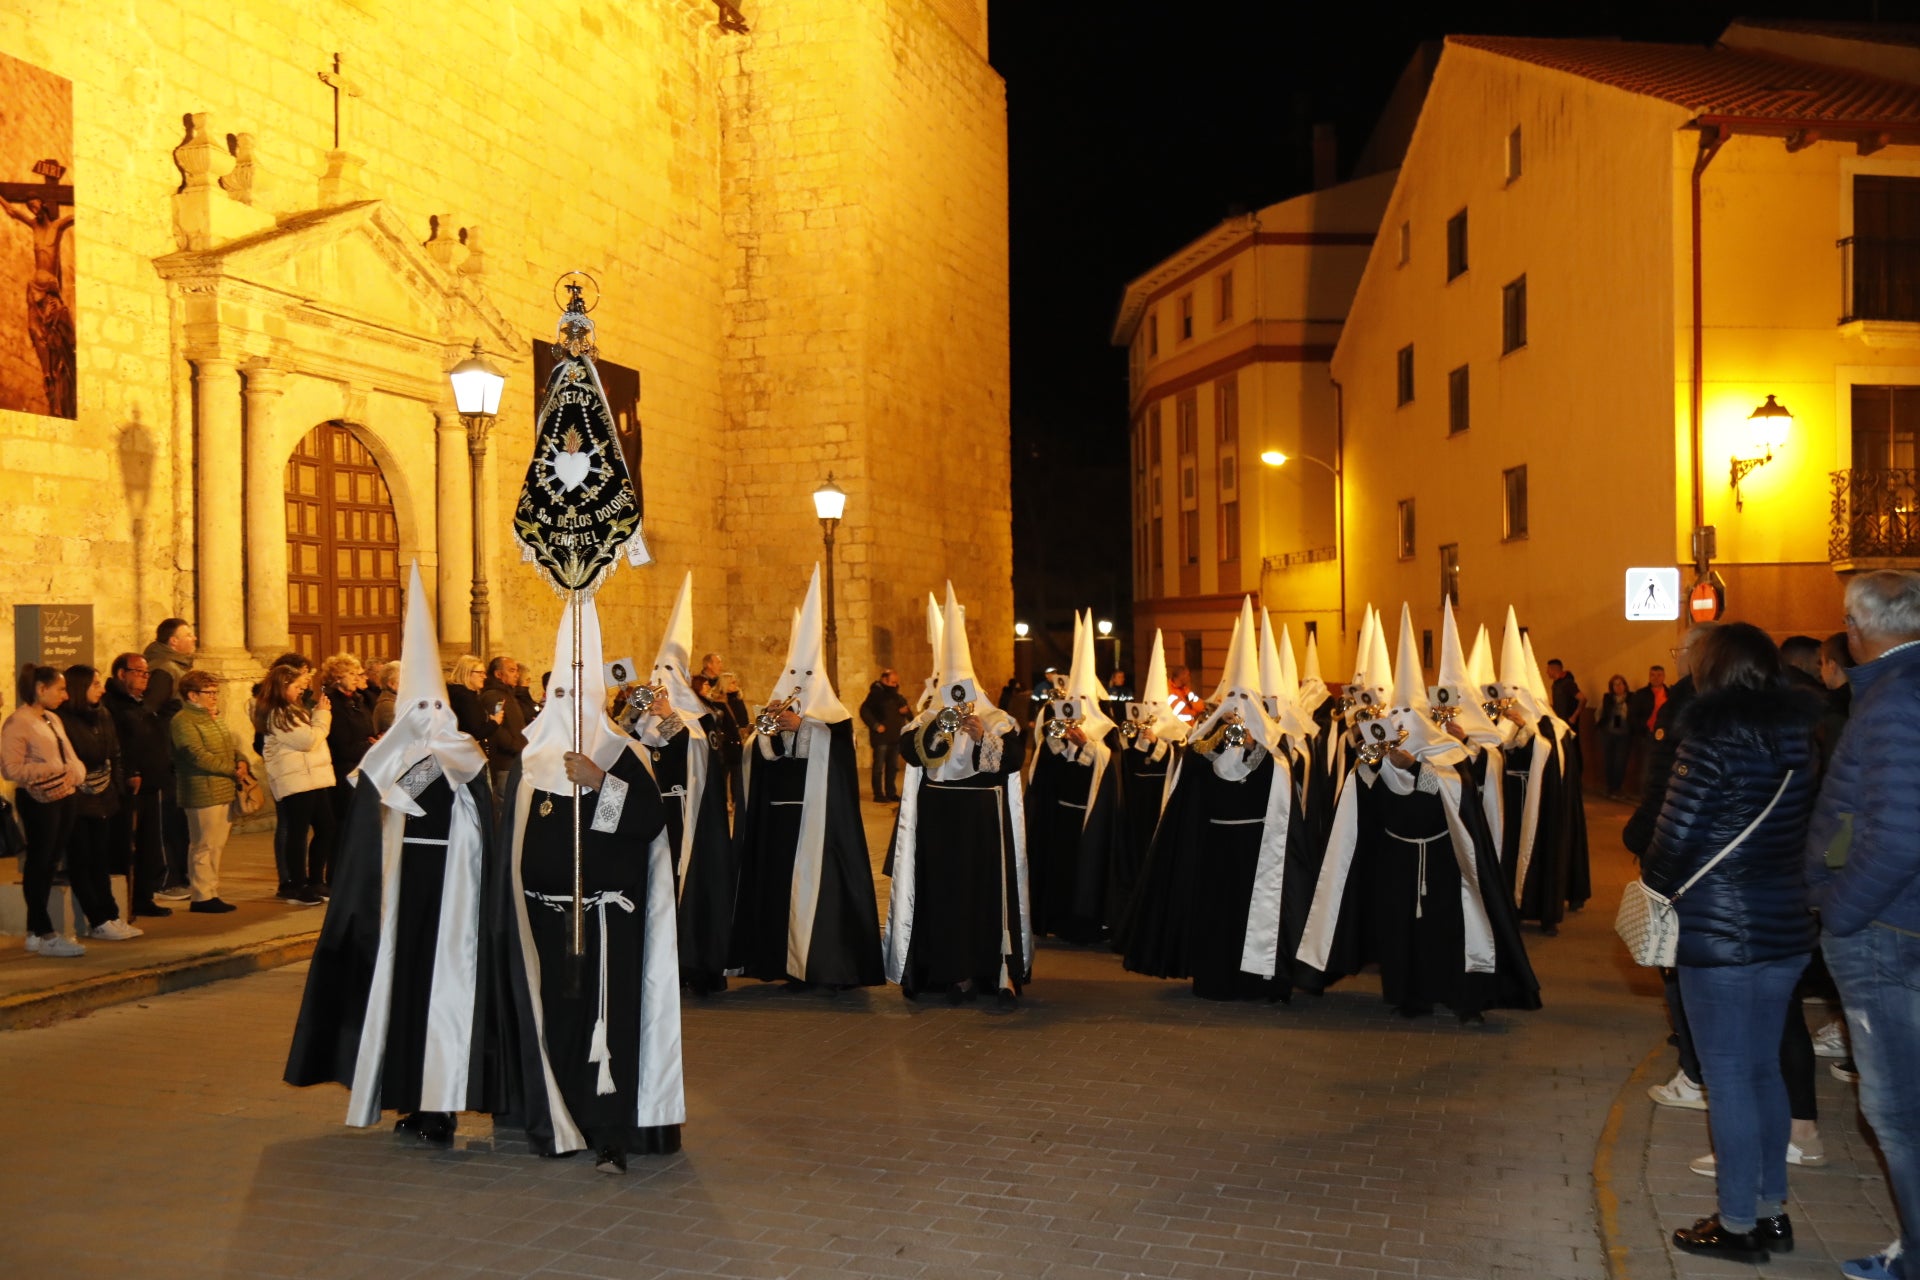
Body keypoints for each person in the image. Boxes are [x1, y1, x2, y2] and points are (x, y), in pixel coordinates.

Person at [285, 563, 509, 1148]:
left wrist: (414, 760)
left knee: (447, 997)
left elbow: (461, 803)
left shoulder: (460, 752)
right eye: (418, 712)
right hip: (401, 894)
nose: (428, 722)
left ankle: (445, 1104)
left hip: (452, 899)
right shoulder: (389, 757)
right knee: (403, 995)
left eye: (434, 711)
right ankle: (409, 1098)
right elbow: (371, 806)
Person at [1643, 624, 1819, 1264]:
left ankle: (1738, 1224)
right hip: (1785, 926)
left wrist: (1655, 886)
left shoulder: (1709, 738)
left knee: (1728, 1079)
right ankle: (1772, 1214)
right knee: (1764, 1069)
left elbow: (1672, 839)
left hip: (1720, 932)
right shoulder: (1800, 735)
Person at [498, 594, 684, 1171]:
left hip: (605, 922)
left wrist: (601, 782)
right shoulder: (530, 765)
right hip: (545, 921)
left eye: (577, 698)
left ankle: (609, 1128)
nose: (567, 707)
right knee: (557, 1016)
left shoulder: (623, 755)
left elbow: (646, 825)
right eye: (559, 697)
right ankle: (557, 1116)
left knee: (605, 1024)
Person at [1297, 605, 1539, 1021]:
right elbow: (1362, 793)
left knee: (1444, 929)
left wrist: (1417, 767)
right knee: (1398, 929)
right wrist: (1375, 762)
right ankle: (1408, 996)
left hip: (1444, 859)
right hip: (1395, 858)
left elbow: (1456, 790)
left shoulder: (1448, 754)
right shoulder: (1379, 755)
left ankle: (1456, 993)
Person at [1806, 570, 1920, 1280]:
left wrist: (1842, 913)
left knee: (1899, 1115)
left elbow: (1902, 835)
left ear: (1856, 625)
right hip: (1896, 925)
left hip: (1886, 933)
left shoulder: (1894, 701)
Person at [1124, 602, 1314, 1001]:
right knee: (1216, 916)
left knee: (1257, 916)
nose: (1238, 710)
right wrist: (1213, 742)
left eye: (1247, 701)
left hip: (1258, 849)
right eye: (1233, 700)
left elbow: (1281, 777)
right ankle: (1214, 979)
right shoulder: (1206, 743)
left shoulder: (1273, 745)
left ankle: (1262, 981)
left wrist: (1251, 745)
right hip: (1215, 847)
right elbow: (1190, 775)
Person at [729, 565, 884, 989]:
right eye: (793, 675)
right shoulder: (780, 711)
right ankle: (779, 962)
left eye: (807, 675)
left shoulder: (836, 718)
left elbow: (838, 760)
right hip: (779, 821)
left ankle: (819, 964)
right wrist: (767, 734)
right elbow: (759, 760)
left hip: (820, 825)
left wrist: (804, 727)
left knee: (817, 892)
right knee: (777, 889)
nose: (799, 682)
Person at [886, 584, 1029, 1008]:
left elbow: (1013, 761)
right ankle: (943, 971)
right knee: (940, 896)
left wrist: (983, 735)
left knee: (980, 897)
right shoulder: (923, 720)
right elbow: (911, 753)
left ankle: (988, 971)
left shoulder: (998, 720)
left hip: (981, 822)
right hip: (937, 820)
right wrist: (938, 729)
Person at [623, 572, 737, 996]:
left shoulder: (700, 718)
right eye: (656, 672)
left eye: (667, 672)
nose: (658, 682)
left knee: (693, 887)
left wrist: (667, 712)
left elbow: (699, 754)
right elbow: (628, 753)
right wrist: (633, 713)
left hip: (689, 817)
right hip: (654, 817)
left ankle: (699, 962)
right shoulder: (643, 721)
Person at [1025, 611, 1124, 944]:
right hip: (1061, 814)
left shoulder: (1106, 733)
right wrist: (1056, 743)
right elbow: (1043, 770)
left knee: (1088, 869)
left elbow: (1110, 768)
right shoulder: (1056, 727)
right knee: (1060, 869)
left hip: (1090, 817)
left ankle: (1087, 923)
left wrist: (1088, 747)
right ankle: (1054, 917)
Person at [3, 665, 90, 955]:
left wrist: (76, 769)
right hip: (39, 799)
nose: (65, 696)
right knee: (39, 863)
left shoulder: (51, 718)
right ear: (41, 688)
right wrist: (52, 768)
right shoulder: (19, 722)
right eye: (60, 689)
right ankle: (45, 931)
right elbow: (10, 769)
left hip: (64, 795)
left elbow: (66, 752)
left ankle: (34, 933)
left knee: (51, 862)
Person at [1109, 629, 1188, 929]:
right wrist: (1134, 742)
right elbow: (1127, 766)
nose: (1152, 712)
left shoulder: (1178, 733)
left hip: (1163, 806)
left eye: (1157, 707)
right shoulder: (1136, 733)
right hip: (1138, 807)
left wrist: (1156, 743)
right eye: (1149, 706)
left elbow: (1177, 762)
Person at [55, 665, 141, 941]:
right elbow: (76, 758)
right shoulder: (62, 720)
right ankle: (98, 918)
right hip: (79, 799)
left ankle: (111, 915)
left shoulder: (102, 714)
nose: (101, 689)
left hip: (104, 797)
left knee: (101, 860)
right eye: (94, 684)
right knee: (82, 860)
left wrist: (114, 787)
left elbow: (114, 752)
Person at [169, 670, 251, 913]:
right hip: (202, 790)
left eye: (216, 692)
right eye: (209, 692)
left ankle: (211, 890)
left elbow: (228, 745)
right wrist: (229, 769)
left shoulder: (211, 717)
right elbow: (194, 753)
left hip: (222, 787)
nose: (214, 697)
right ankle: (202, 895)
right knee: (203, 844)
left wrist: (240, 760)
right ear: (192, 695)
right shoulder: (183, 720)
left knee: (216, 844)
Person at [257, 663, 336, 905]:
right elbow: (307, 740)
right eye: (296, 686)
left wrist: (316, 718)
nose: (301, 691)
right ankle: (298, 884)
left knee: (328, 828)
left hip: (313, 778)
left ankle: (315, 880)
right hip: (296, 780)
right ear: (282, 687)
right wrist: (322, 715)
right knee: (298, 834)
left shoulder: (295, 709)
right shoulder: (278, 713)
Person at [104, 652, 172, 918]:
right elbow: (118, 744)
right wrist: (130, 772)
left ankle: (144, 896)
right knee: (125, 844)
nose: (146, 678)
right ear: (122, 674)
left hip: (150, 784)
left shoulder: (139, 704)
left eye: (147, 674)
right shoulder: (113, 706)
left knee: (149, 845)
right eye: (140, 673)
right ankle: (126, 900)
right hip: (128, 787)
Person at [143, 618, 195, 899]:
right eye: (188, 635)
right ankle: (166, 878)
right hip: (164, 756)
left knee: (179, 819)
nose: (194, 639)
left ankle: (182, 875)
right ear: (173, 642)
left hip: (175, 755)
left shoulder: (176, 667)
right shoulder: (164, 670)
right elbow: (151, 711)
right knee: (167, 820)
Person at [321, 654, 377, 861]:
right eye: (351, 674)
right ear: (337, 677)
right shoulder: (332, 704)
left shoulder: (357, 700)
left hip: (362, 769)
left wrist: (374, 740)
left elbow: (366, 730)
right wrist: (370, 746)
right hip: (343, 773)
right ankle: (337, 876)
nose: (357, 677)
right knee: (343, 826)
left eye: (358, 673)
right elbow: (341, 745)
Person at [690, 652, 749, 821]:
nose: (720, 665)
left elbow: (741, 718)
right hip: (721, 744)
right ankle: (722, 803)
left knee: (736, 775)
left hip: (732, 743)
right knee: (721, 776)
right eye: (717, 662)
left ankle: (735, 802)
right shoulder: (711, 702)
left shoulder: (731, 699)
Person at [858, 668, 910, 803]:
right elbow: (864, 711)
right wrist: (875, 725)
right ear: (884, 680)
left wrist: (905, 711)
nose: (895, 685)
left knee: (893, 768)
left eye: (896, 683)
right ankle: (878, 794)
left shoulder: (897, 697)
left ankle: (891, 792)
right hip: (881, 738)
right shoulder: (875, 695)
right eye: (892, 682)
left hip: (894, 737)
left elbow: (909, 714)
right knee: (879, 767)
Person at [483, 656, 529, 802]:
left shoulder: (507, 695)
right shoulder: (494, 697)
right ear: (498, 674)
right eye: (511, 670)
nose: (517, 675)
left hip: (514, 761)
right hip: (504, 763)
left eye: (516, 671)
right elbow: (496, 728)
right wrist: (515, 746)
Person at [1595, 675, 1634, 799]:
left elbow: (1634, 714)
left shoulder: (1632, 698)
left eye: (1620, 684)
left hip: (1624, 734)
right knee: (1609, 761)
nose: (1618, 687)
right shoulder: (1607, 698)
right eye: (1615, 684)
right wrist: (1601, 727)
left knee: (1620, 762)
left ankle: (1618, 787)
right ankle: (1610, 787)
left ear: (1625, 685)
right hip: (1609, 733)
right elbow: (1598, 713)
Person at [446, 654, 490, 744]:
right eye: (480, 673)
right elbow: (475, 733)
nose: (484, 677)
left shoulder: (458, 693)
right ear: (467, 672)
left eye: (484, 673)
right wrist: (495, 723)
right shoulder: (465, 697)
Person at [371, 661, 400, 735]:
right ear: (391, 684)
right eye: (403, 680)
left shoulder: (395, 701)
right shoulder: (386, 706)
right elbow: (399, 733)